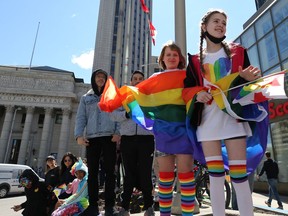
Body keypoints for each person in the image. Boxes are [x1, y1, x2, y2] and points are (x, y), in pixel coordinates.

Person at [183, 9, 269, 216]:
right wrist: (197, 95)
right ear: (204, 27)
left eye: (224, 22)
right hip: (207, 120)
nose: (221, 25)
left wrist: (249, 78)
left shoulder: (239, 51)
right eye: (216, 21)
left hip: (234, 117)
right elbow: (186, 90)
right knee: (215, 176)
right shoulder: (194, 60)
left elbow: (252, 84)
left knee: (239, 176)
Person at [152, 41, 195, 216]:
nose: (171, 57)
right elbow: (142, 97)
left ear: (180, 58)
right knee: (165, 178)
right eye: (168, 54)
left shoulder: (187, 76)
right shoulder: (154, 80)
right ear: (162, 58)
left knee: (186, 175)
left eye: (175, 54)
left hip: (184, 131)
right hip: (162, 132)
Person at [75, 69, 120, 216]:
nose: (100, 79)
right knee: (93, 174)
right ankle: (93, 206)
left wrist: (118, 132)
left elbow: (119, 113)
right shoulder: (85, 98)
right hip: (92, 139)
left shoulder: (112, 95)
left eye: (103, 77)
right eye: (98, 77)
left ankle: (109, 207)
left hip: (109, 137)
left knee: (110, 173)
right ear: (94, 79)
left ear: (106, 80)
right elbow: (81, 117)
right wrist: (78, 136)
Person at [110, 70, 155, 216]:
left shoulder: (150, 97)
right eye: (135, 78)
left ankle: (149, 207)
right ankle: (125, 208)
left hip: (146, 139)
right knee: (128, 174)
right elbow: (113, 115)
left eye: (140, 78)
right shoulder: (123, 96)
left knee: (146, 173)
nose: (137, 81)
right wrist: (126, 114)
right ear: (131, 81)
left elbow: (156, 114)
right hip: (128, 139)